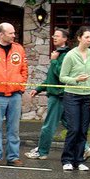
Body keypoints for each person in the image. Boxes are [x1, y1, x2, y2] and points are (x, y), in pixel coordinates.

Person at [0, 22, 28, 167]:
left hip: (15, 95)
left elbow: (24, 69)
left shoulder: (19, 49)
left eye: (14, 33)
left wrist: (21, 88)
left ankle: (13, 157)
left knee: (14, 128)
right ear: (1, 34)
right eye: (11, 33)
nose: (14, 35)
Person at [25, 28, 70, 160]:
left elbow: (61, 75)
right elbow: (51, 78)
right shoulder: (58, 53)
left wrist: (54, 60)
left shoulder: (65, 55)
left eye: (57, 36)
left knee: (48, 126)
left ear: (65, 39)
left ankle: (42, 151)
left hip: (58, 96)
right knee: (70, 126)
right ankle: (85, 148)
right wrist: (39, 88)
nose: (54, 38)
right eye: (53, 36)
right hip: (57, 94)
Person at [59, 26, 90, 172]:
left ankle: (79, 160)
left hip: (87, 96)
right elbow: (62, 77)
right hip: (72, 96)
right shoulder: (70, 55)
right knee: (74, 129)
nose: (89, 40)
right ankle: (67, 159)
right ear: (79, 38)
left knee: (83, 130)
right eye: (87, 37)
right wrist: (76, 79)